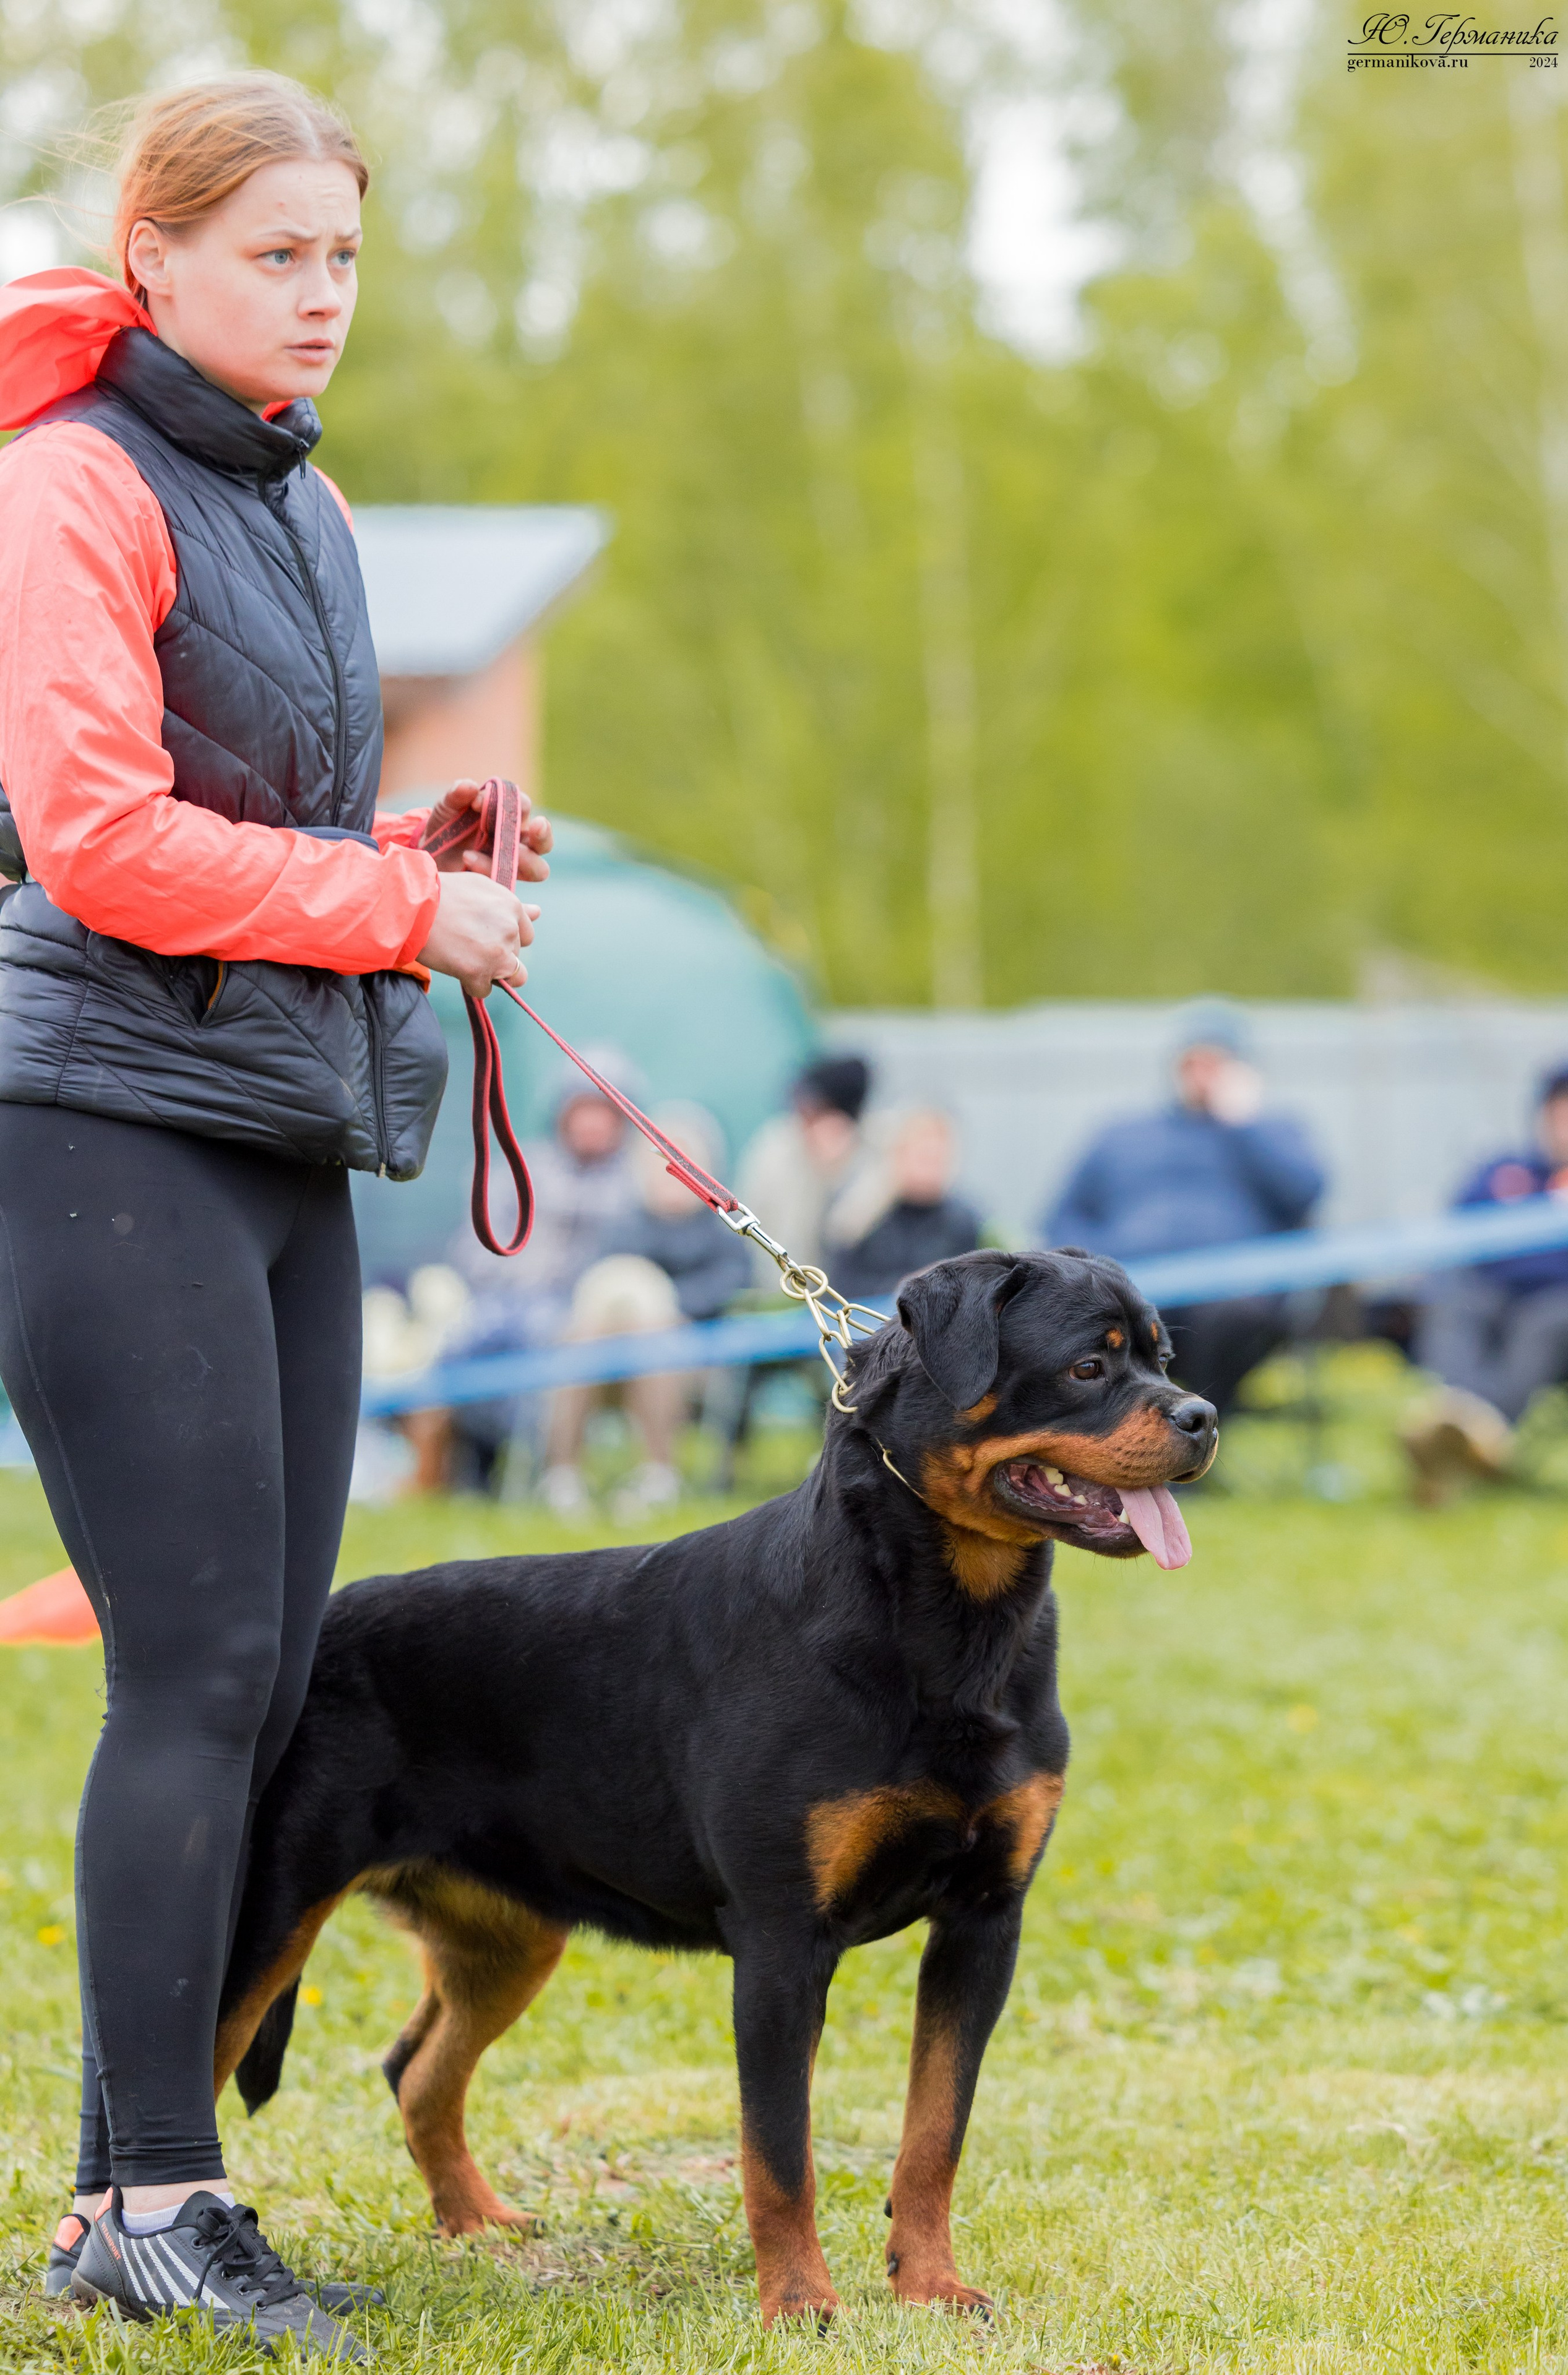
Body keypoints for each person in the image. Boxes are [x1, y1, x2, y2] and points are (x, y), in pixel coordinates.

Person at [0, 77, 550, 2353]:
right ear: (155, 256)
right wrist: (385, 907)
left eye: (341, 254)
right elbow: (92, 833)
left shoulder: (293, 499)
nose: (319, 296)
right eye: (273, 255)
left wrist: (412, 841)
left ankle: (130, 2181)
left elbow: (259, 809)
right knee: (199, 1671)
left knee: (264, 1670)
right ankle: (149, 2185)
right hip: (100, 1123)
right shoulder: (66, 482)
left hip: (282, 1122)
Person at [1042, 999, 1325, 1418]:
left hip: (1233, 1296)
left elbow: (1306, 1194)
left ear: (1240, 1070)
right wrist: (1094, 1266)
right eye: (1193, 1062)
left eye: (1215, 1064)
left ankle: (1198, 1432)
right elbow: (1064, 1214)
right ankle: (1121, 1435)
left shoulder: (1271, 1130)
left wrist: (1245, 1120)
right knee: (1107, 1321)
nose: (1201, 1075)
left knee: (1234, 1317)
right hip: (1134, 1286)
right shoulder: (1121, 1133)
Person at [430, 1062, 639, 1491]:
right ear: (562, 1115)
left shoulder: (633, 1186)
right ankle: (462, 1467)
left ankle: (542, 1470)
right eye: (582, 1110)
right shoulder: (519, 1165)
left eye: (603, 1112)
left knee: (553, 1341)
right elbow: (473, 1244)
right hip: (501, 1301)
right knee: (459, 1343)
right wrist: (515, 1275)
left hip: (575, 1315)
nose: (591, 1123)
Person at [540, 1105, 751, 1519]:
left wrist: (666, 1308)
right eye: (660, 1167)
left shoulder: (726, 1229)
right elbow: (596, 1288)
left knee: (652, 1324)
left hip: (692, 1360)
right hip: (608, 1355)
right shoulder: (622, 1226)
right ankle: (564, 1475)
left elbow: (731, 1287)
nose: (669, 1178)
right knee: (586, 1328)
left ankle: (657, 1473)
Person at [1402, 1063, 1568, 1503]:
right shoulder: (1504, 1170)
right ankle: (1455, 1418)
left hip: (1565, 1304)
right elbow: (1457, 1234)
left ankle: (1477, 1431)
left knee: (1547, 1322)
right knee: (1453, 1303)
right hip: (1491, 1293)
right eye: (1560, 1112)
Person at [735, 1053, 894, 1278]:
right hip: (775, 1287)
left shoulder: (878, 1148)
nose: (801, 1111)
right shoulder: (776, 1145)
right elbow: (753, 1223)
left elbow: (845, 1232)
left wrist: (832, 1173)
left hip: (846, 1289)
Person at [827, 1108, 983, 1303]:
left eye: (939, 1159)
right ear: (897, 1154)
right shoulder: (858, 1213)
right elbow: (835, 1289)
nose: (932, 1169)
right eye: (924, 1157)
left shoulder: (963, 1220)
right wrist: (908, 1286)